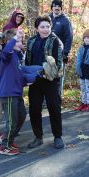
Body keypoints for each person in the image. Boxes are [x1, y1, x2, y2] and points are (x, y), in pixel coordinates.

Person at [0, 29, 58, 155]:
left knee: (21, 115)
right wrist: (15, 38)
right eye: (18, 41)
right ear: (9, 42)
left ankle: (9, 137)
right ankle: (4, 146)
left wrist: (41, 72)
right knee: (12, 120)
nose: (21, 43)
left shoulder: (16, 58)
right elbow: (5, 52)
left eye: (21, 41)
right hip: (8, 93)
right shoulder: (7, 56)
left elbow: (24, 73)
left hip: (16, 93)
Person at [25, 15, 65, 149]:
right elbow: (27, 61)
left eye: (48, 26)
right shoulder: (30, 41)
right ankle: (38, 137)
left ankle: (58, 137)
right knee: (34, 109)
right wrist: (26, 77)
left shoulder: (55, 41)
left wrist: (51, 73)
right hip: (35, 81)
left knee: (54, 107)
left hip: (51, 80)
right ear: (37, 28)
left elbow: (59, 61)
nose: (45, 29)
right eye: (42, 27)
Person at [49, 0, 73, 96]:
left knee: (58, 76)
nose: (57, 8)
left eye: (59, 6)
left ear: (61, 8)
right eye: (55, 6)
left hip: (60, 53)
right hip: (48, 53)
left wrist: (66, 53)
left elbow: (69, 37)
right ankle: (47, 99)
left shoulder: (65, 21)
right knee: (47, 75)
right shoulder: (48, 18)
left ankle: (57, 98)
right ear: (52, 7)